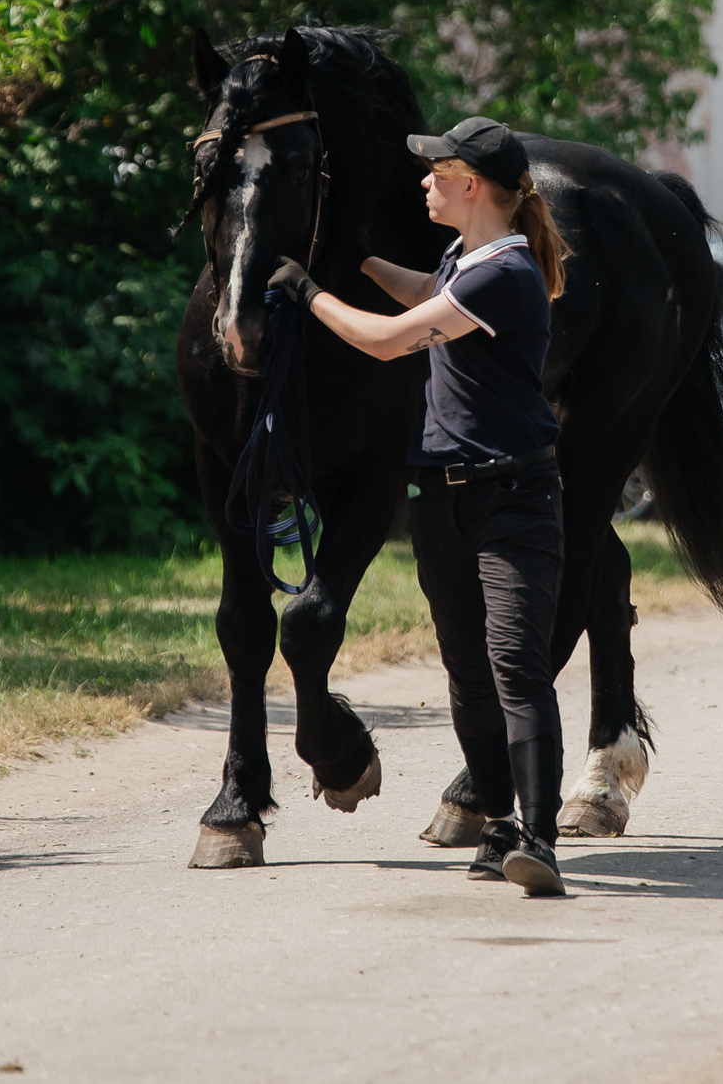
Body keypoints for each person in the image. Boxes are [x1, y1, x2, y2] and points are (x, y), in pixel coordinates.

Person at [269, 115, 574, 896]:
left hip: (512, 498)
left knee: (515, 666)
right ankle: (500, 821)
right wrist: (358, 260)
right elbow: (428, 294)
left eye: (436, 171)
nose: (424, 180)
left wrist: (308, 291)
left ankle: (538, 835)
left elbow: (388, 339)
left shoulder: (502, 271)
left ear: (471, 185)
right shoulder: (464, 259)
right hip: (444, 495)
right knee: (468, 674)